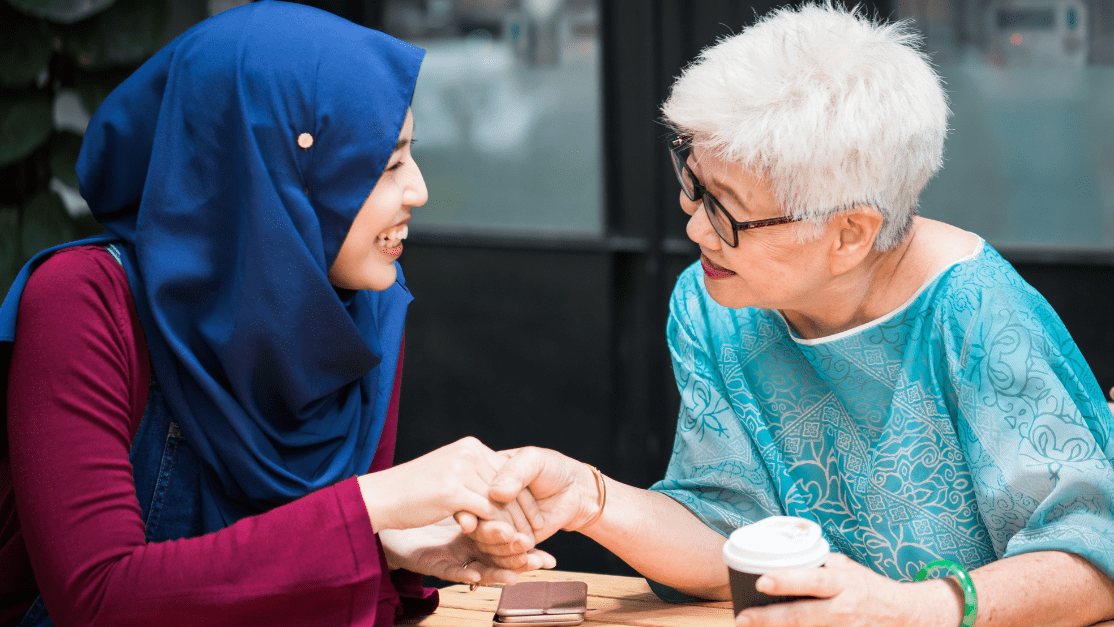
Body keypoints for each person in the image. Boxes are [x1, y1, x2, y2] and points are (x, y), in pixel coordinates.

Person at [473, 4, 1114, 627]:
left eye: (725, 209)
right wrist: (592, 499)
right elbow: (726, 535)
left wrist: (914, 611)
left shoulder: (978, 315)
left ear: (849, 234)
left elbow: (1093, 556)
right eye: (695, 184)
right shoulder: (715, 303)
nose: (695, 227)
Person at [0, 3, 550, 626]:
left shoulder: (362, 304)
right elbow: (98, 599)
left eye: (409, 154)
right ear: (276, 172)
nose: (418, 190)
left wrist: (387, 548)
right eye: (388, 164)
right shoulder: (84, 302)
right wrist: (374, 505)